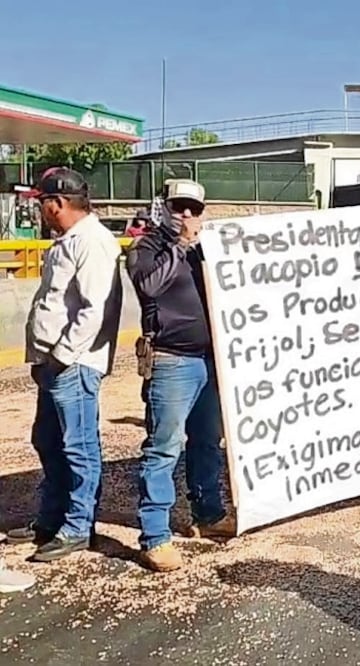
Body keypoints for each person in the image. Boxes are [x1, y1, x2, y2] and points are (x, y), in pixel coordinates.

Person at [9, 168, 123, 563]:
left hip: (72, 364)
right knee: (48, 442)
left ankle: (77, 527)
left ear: (56, 204)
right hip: (54, 362)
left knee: (78, 447)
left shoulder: (92, 241)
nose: (40, 210)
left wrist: (60, 356)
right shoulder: (69, 241)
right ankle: (51, 519)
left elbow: (95, 310)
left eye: (42, 203)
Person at [126, 179, 233, 572]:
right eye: (178, 206)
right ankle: (155, 536)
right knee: (163, 447)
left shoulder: (206, 249)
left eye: (194, 208)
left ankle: (208, 516)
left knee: (207, 442)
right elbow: (151, 285)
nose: (186, 215)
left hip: (209, 360)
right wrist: (182, 245)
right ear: (163, 206)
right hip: (170, 361)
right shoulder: (146, 247)